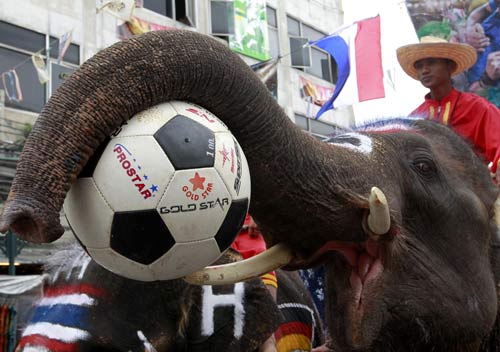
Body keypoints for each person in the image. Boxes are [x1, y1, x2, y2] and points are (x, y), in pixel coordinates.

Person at [396, 36, 500, 182]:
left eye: (431, 62)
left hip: (477, 195)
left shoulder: (477, 107)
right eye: (419, 65)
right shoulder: (413, 119)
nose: (424, 70)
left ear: (450, 66)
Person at [231, 214, 278, 352]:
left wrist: (258, 216)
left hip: (246, 230)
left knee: (266, 337)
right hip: (205, 233)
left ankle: (268, 341)